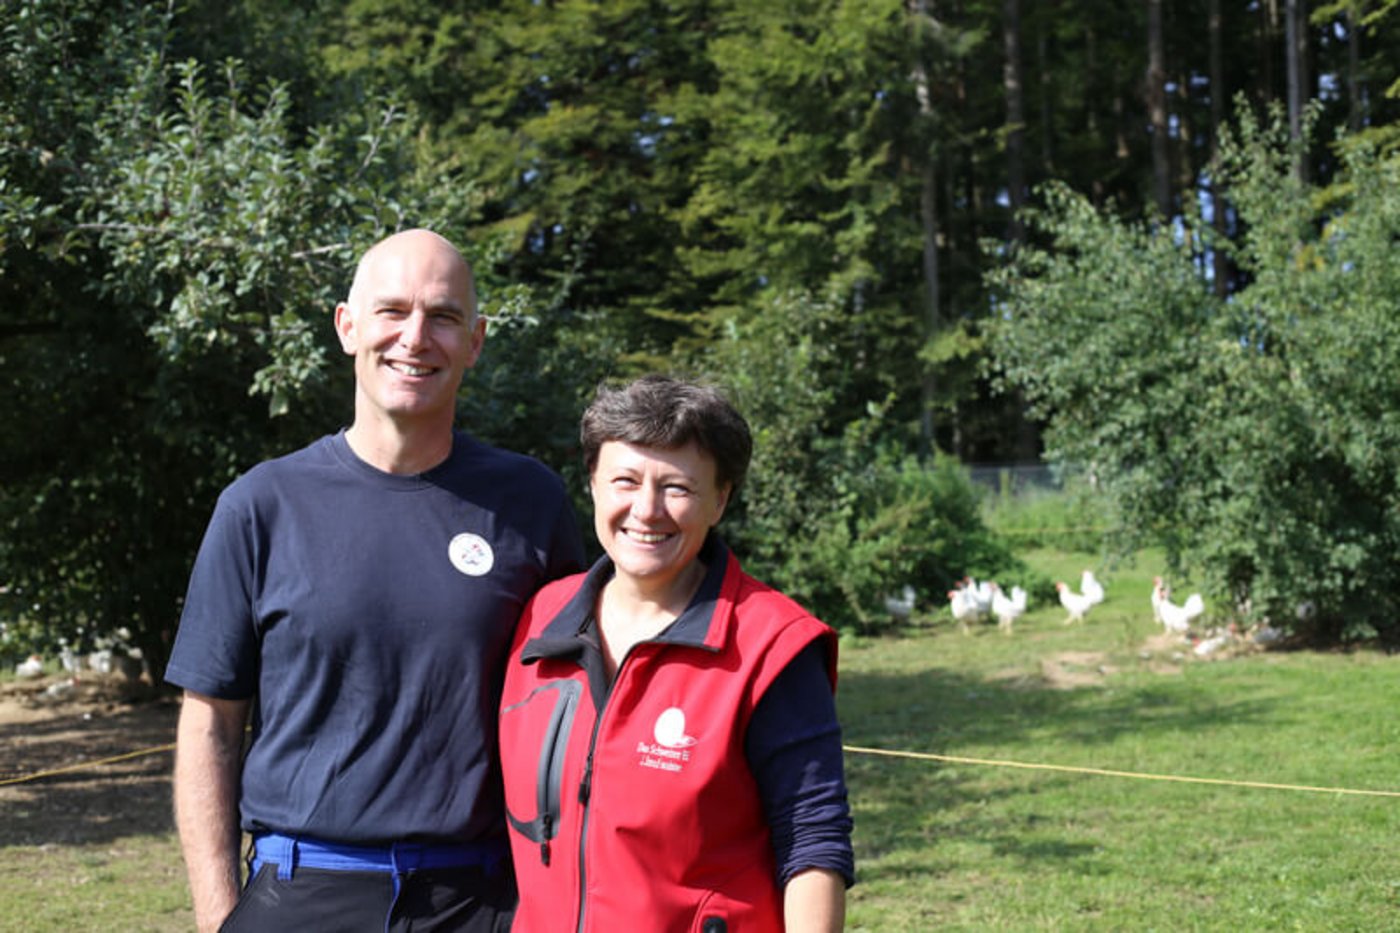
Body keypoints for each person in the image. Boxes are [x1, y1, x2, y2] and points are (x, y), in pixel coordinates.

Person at [165, 229, 584, 933]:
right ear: (347, 325)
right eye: (392, 310)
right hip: (300, 890)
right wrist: (218, 914)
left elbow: (579, 707)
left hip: (479, 898)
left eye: (444, 316)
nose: (415, 337)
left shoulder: (530, 502)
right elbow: (209, 722)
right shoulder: (261, 505)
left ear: (476, 340)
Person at [498, 375, 855, 933]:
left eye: (677, 487)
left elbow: (812, 840)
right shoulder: (539, 620)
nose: (647, 509)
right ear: (591, 484)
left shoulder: (772, 645)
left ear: (721, 499)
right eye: (625, 480)